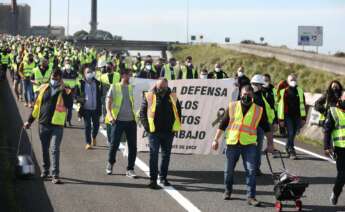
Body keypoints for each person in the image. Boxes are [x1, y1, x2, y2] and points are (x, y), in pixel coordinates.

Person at [212, 85, 273, 206]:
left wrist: (271, 144)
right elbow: (222, 125)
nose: (246, 96)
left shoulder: (258, 110)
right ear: (240, 94)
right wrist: (215, 140)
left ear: (252, 95)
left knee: (251, 170)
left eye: (249, 95)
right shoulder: (233, 106)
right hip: (232, 143)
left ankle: (251, 197)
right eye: (244, 94)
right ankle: (228, 190)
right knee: (228, 171)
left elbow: (267, 128)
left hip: (249, 145)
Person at [24, 69, 71, 184]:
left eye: (56, 78)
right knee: (45, 149)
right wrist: (29, 121)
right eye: (53, 77)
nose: (54, 79)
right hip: (43, 123)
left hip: (57, 125)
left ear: (60, 79)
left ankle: (55, 174)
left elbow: (69, 104)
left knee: (54, 149)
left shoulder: (66, 90)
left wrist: (63, 90)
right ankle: (45, 171)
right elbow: (36, 106)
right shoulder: (44, 88)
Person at [140, 78, 182, 189]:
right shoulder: (149, 95)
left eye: (162, 87)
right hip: (154, 132)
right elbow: (142, 113)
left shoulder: (172, 96)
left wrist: (175, 127)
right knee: (153, 155)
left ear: (167, 85)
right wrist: (148, 128)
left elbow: (178, 111)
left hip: (168, 132)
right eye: (158, 87)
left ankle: (163, 178)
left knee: (166, 155)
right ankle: (153, 180)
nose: (160, 89)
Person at [105, 69, 137, 178]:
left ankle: (130, 169)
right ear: (123, 75)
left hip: (131, 121)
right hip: (118, 121)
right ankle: (110, 163)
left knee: (133, 146)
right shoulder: (114, 86)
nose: (130, 77)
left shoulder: (132, 87)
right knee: (114, 144)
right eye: (129, 75)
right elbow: (108, 102)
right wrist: (110, 116)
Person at [250, 74, 275, 176]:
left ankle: (255, 169)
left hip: (260, 126)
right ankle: (252, 168)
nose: (256, 86)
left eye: (257, 84)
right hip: (249, 126)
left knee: (257, 149)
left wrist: (272, 123)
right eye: (254, 84)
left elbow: (266, 112)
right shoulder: (248, 95)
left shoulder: (261, 96)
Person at [278, 74, 306, 160]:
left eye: (294, 79)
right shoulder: (284, 91)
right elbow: (280, 107)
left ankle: (287, 147)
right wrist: (281, 120)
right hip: (287, 115)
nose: (293, 81)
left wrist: (303, 118)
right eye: (291, 79)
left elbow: (303, 104)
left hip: (297, 115)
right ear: (287, 81)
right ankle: (291, 149)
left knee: (294, 133)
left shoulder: (300, 90)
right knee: (290, 132)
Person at [324, 91, 345, 206]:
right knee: (342, 175)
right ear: (341, 98)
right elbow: (327, 130)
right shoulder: (333, 111)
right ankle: (336, 193)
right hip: (340, 148)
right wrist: (327, 146)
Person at [77, 67, 102, 150]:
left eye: (90, 71)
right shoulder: (81, 83)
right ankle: (88, 143)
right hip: (86, 108)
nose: (89, 73)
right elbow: (79, 96)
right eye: (87, 72)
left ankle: (94, 136)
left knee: (96, 125)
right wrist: (80, 109)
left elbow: (100, 95)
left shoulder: (97, 83)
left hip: (95, 108)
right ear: (84, 74)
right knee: (87, 126)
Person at [62, 59, 79, 127]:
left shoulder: (74, 72)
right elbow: (60, 81)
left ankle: (69, 121)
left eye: (69, 63)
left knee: (70, 109)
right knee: (63, 108)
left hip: (71, 92)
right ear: (64, 64)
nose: (68, 64)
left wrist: (75, 92)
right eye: (66, 63)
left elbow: (77, 82)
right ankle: (63, 122)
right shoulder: (61, 71)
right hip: (63, 92)